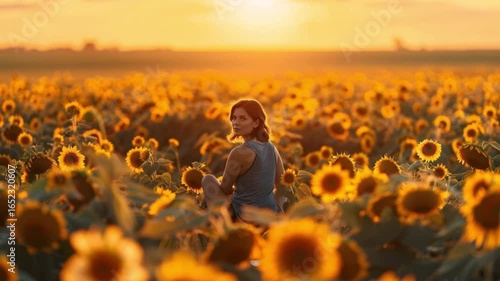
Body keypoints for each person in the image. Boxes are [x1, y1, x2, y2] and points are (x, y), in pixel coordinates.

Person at [201, 99, 286, 222]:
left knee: (208, 180)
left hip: (243, 219)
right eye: (234, 118)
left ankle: (224, 228)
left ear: (256, 122)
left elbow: (225, 188)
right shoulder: (271, 147)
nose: (236, 122)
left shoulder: (240, 152)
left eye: (242, 118)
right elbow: (282, 184)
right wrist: (279, 211)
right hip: (269, 216)